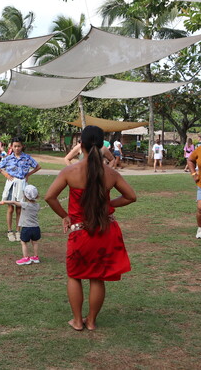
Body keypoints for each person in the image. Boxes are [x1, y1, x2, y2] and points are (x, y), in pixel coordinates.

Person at [45, 126, 136, 331]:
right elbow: (131, 196)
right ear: (102, 145)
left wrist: (65, 216)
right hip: (104, 232)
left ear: (81, 145)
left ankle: (77, 321)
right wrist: (108, 205)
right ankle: (92, 321)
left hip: (80, 233)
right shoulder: (110, 173)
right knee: (97, 277)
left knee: (75, 275)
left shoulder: (70, 171)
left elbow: (49, 197)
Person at [0, 137, 41, 242]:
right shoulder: (8, 158)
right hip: (11, 184)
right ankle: (10, 231)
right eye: (15, 146)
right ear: (11, 146)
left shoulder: (27, 158)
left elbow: (37, 167)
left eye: (19, 146)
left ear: (22, 146)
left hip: (22, 184)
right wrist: (5, 174)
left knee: (19, 208)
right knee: (10, 208)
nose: (17, 148)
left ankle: (18, 230)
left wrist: (28, 174)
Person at [0, 185, 42, 265]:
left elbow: (14, 202)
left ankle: (26, 258)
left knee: (23, 242)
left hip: (27, 228)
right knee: (35, 242)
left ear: (25, 195)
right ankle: (35, 257)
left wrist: (4, 202)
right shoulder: (37, 205)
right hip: (36, 228)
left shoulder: (25, 204)